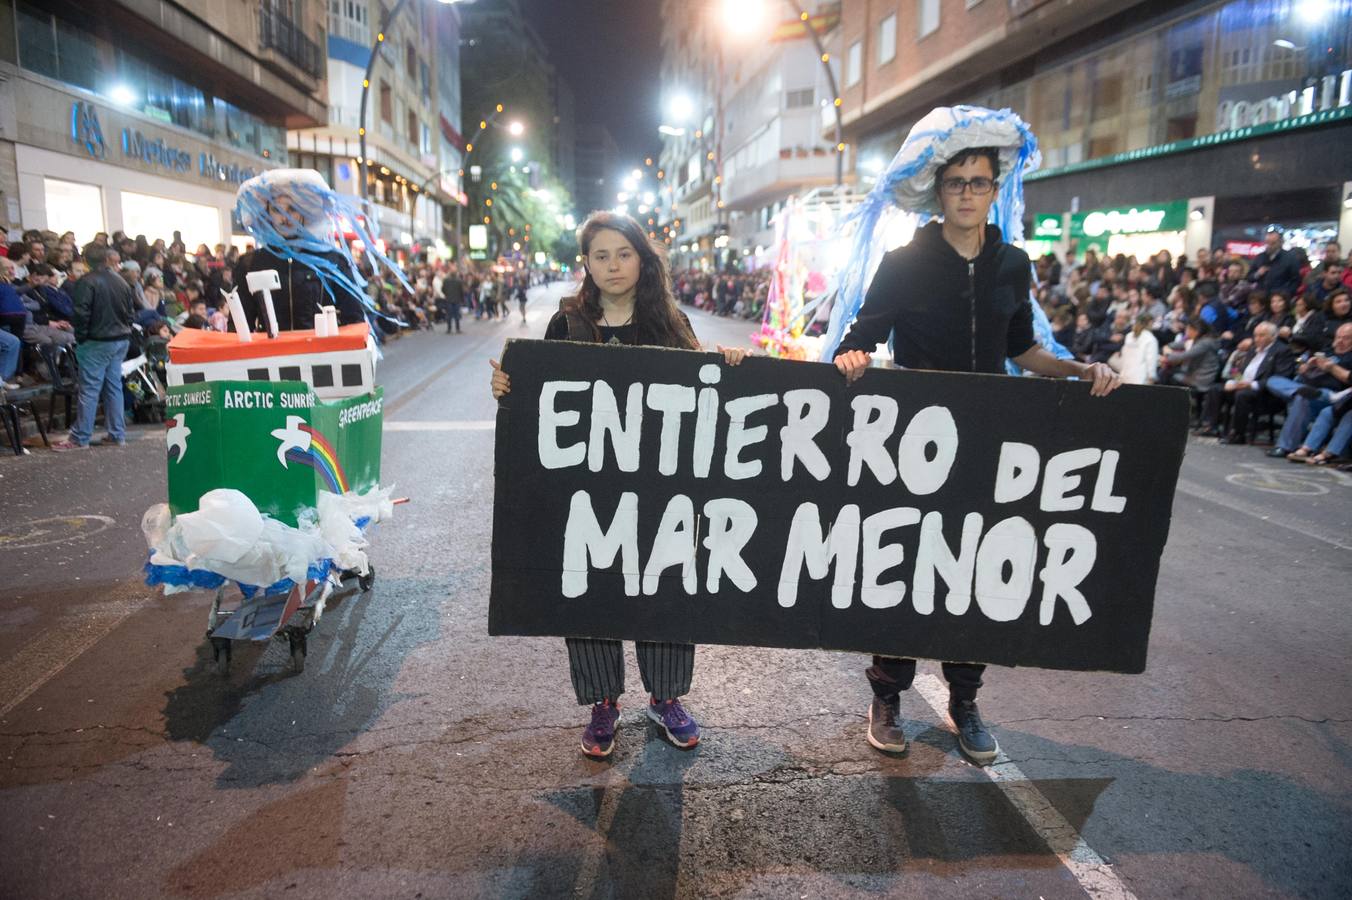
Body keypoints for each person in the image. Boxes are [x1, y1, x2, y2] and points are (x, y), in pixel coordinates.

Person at [830, 107, 1120, 766]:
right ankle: (888, 696)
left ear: (996, 189)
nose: (966, 192)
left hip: (990, 444)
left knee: (977, 570)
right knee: (905, 569)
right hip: (915, 444)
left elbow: (1024, 350)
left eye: (979, 181)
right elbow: (860, 338)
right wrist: (854, 359)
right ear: (939, 190)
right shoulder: (904, 263)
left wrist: (1079, 368)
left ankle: (965, 700)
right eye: (956, 181)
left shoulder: (1013, 264)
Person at [489, 211, 747, 759]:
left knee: (664, 584)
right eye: (600, 255)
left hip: (658, 491)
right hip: (584, 491)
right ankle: (602, 702)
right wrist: (507, 387)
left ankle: (667, 696)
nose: (612, 265)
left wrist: (729, 363)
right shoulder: (567, 325)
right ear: (585, 263)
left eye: (623, 254)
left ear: (642, 258)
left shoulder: (670, 323)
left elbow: (706, 389)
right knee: (590, 589)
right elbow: (538, 400)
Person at [51, 243, 135, 451]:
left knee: (89, 389)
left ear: (86, 261)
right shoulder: (121, 281)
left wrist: (81, 337)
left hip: (96, 341)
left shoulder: (86, 282)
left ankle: (80, 437)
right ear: (107, 259)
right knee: (113, 386)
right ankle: (117, 434)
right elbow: (130, 313)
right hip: (120, 339)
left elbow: (81, 313)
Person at [1265, 322, 1352, 459]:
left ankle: (1285, 446)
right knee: (1273, 380)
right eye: (1338, 337)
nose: (1340, 341)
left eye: (1346, 338)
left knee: (1304, 397)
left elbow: (1348, 380)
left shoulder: (1349, 357)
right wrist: (1306, 367)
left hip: (1333, 395)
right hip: (1308, 387)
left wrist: (1332, 368)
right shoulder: (1328, 350)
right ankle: (1296, 391)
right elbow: (1302, 370)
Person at [1248, 228, 1302, 296]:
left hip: (1280, 299)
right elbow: (1249, 277)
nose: (1269, 246)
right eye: (1267, 242)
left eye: (1273, 243)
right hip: (1261, 298)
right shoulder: (1260, 257)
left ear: (1280, 242)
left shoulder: (1290, 258)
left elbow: (1296, 281)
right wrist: (1257, 274)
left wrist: (1286, 294)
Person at [1118, 311, 1159, 384]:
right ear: (1150, 323)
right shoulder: (1150, 339)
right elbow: (1151, 360)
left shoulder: (1129, 336)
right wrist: (1151, 377)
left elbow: (1123, 357)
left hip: (1124, 377)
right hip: (1141, 380)